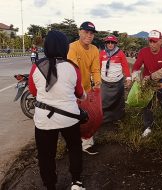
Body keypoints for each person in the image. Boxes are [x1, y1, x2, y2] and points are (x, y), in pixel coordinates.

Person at [29, 30, 86, 190]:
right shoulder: (72, 68)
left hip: (44, 120)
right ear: (64, 47)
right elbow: (80, 93)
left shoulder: (36, 67)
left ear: (46, 47)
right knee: (74, 148)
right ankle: (76, 182)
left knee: (46, 156)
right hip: (70, 118)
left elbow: (34, 92)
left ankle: (50, 185)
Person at [132, 30, 162, 137]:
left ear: (160, 41)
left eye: (154, 41)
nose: (152, 44)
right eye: (150, 41)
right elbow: (136, 66)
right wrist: (134, 76)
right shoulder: (143, 51)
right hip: (148, 80)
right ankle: (148, 127)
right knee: (147, 104)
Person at [67, 21, 101, 154]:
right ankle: (73, 143)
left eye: (92, 33)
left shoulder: (94, 49)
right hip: (71, 90)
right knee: (72, 117)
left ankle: (86, 142)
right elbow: (72, 70)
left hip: (86, 89)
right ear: (79, 32)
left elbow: (95, 69)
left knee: (89, 116)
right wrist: (79, 90)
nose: (89, 35)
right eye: (86, 32)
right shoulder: (72, 47)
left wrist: (97, 83)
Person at [100, 35, 131, 124]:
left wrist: (128, 78)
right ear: (106, 44)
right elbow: (98, 66)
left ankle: (118, 118)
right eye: (108, 43)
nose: (110, 44)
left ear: (115, 44)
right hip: (104, 82)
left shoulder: (120, 53)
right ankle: (104, 119)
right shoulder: (102, 53)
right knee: (104, 100)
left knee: (118, 102)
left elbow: (125, 66)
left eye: (112, 43)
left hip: (117, 82)